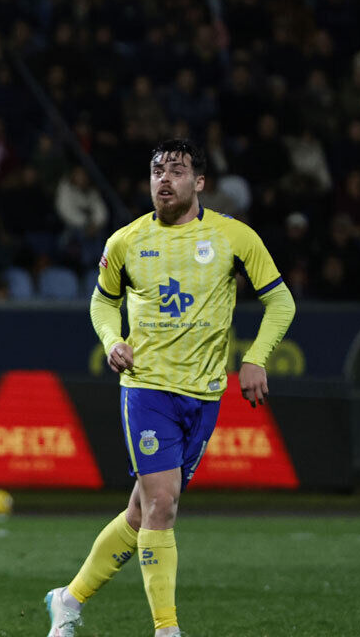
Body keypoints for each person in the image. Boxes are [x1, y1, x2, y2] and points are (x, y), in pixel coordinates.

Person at [45, 139, 297, 637]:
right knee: (164, 504)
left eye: (177, 171)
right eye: (157, 169)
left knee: (141, 512)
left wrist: (254, 360)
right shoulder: (125, 241)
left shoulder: (234, 237)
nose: (164, 179)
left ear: (199, 182)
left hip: (203, 395)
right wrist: (112, 338)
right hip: (147, 389)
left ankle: (68, 600)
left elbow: (282, 302)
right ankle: (167, 629)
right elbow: (101, 304)